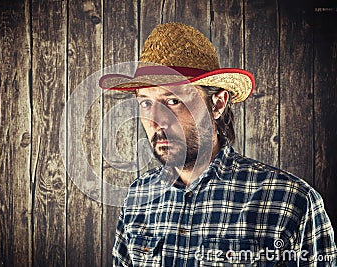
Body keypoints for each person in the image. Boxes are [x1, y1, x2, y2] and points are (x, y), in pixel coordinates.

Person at [99, 23, 336, 266]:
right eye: (146, 103)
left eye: (173, 100)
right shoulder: (138, 195)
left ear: (218, 104)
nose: (157, 121)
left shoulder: (290, 200)